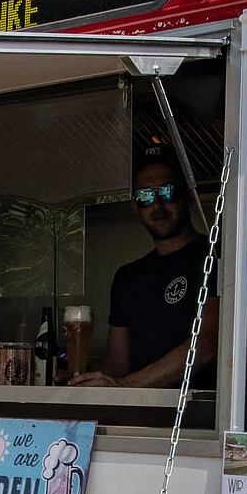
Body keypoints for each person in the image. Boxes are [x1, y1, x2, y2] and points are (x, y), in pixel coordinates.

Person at [69, 138, 217, 389]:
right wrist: (73, 377)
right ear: (135, 207)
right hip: (139, 419)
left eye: (168, 192)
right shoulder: (128, 277)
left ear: (189, 196)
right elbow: (117, 365)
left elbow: (207, 345)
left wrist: (125, 386)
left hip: (198, 419)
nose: (157, 205)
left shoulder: (216, 258)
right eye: (145, 196)